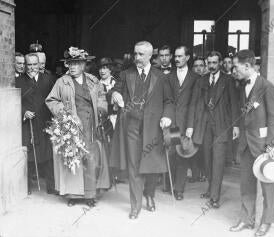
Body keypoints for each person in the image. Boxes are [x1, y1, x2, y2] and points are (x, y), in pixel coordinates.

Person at [109, 41, 174, 219]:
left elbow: (169, 101)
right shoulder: (125, 74)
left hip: (152, 128)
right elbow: (115, 90)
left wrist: (167, 116)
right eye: (135, 54)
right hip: (131, 126)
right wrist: (114, 94)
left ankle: (150, 195)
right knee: (133, 166)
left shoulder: (161, 77)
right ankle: (135, 205)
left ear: (150, 56)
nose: (136, 57)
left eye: (141, 54)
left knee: (151, 165)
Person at [45, 47, 110, 207]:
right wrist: (64, 114)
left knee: (91, 158)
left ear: (83, 65)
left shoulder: (93, 81)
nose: (72, 66)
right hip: (72, 126)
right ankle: (73, 195)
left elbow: (102, 96)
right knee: (73, 158)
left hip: (91, 124)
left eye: (76, 63)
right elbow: (51, 100)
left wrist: (101, 108)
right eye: (70, 63)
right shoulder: (62, 81)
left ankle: (90, 195)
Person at [229, 50, 274, 236]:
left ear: (247, 66)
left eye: (235, 66)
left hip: (262, 146)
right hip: (245, 144)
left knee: (267, 184)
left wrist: (272, 145)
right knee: (246, 184)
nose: (233, 69)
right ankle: (246, 219)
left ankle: (266, 222)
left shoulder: (267, 87)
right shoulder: (242, 86)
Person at [186, 51, 239, 208]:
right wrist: (190, 125)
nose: (211, 66)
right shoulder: (201, 80)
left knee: (218, 161)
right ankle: (211, 188)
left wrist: (235, 125)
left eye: (214, 63)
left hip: (222, 126)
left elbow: (234, 103)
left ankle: (214, 197)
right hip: (205, 126)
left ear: (220, 63)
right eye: (209, 63)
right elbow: (194, 104)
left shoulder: (228, 80)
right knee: (207, 161)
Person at [15, 53, 55, 195]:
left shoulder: (48, 79)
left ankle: (52, 186)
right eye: (29, 65)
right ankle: (26, 187)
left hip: (45, 122)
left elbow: (54, 99)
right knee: (29, 155)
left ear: (39, 65)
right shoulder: (18, 81)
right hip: (29, 123)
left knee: (48, 154)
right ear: (25, 65)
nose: (32, 68)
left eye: (34, 64)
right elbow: (15, 103)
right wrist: (24, 112)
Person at [165, 46, 198, 200]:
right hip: (172, 123)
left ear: (188, 57)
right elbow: (167, 101)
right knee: (171, 153)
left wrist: (190, 125)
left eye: (180, 56)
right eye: (175, 56)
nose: (177, 59)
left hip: (185, 123)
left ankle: (179, 189)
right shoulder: (168, 77)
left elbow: (194, 104)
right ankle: (168, 185)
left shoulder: (195, 78)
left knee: (183, 154)